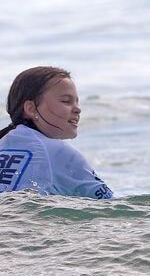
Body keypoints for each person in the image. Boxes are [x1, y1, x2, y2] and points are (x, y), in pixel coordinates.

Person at [0, 66, 113, 199]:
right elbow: (109, 204)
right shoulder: (59, 152)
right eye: (66, 101)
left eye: (77, 102)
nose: (78, 109)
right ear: (31, 109)